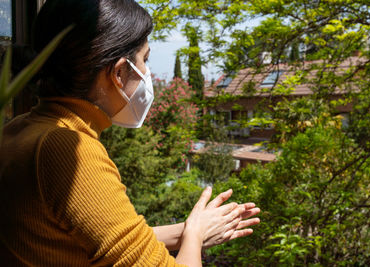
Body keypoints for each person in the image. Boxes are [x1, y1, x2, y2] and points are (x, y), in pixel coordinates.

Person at [0, 0, 260, 266]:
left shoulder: (19, 130)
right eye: (145, 59)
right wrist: (194, 234)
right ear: (120, 72)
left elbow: (114, 239)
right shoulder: (68, 150)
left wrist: (190, 230)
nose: (147, 72)